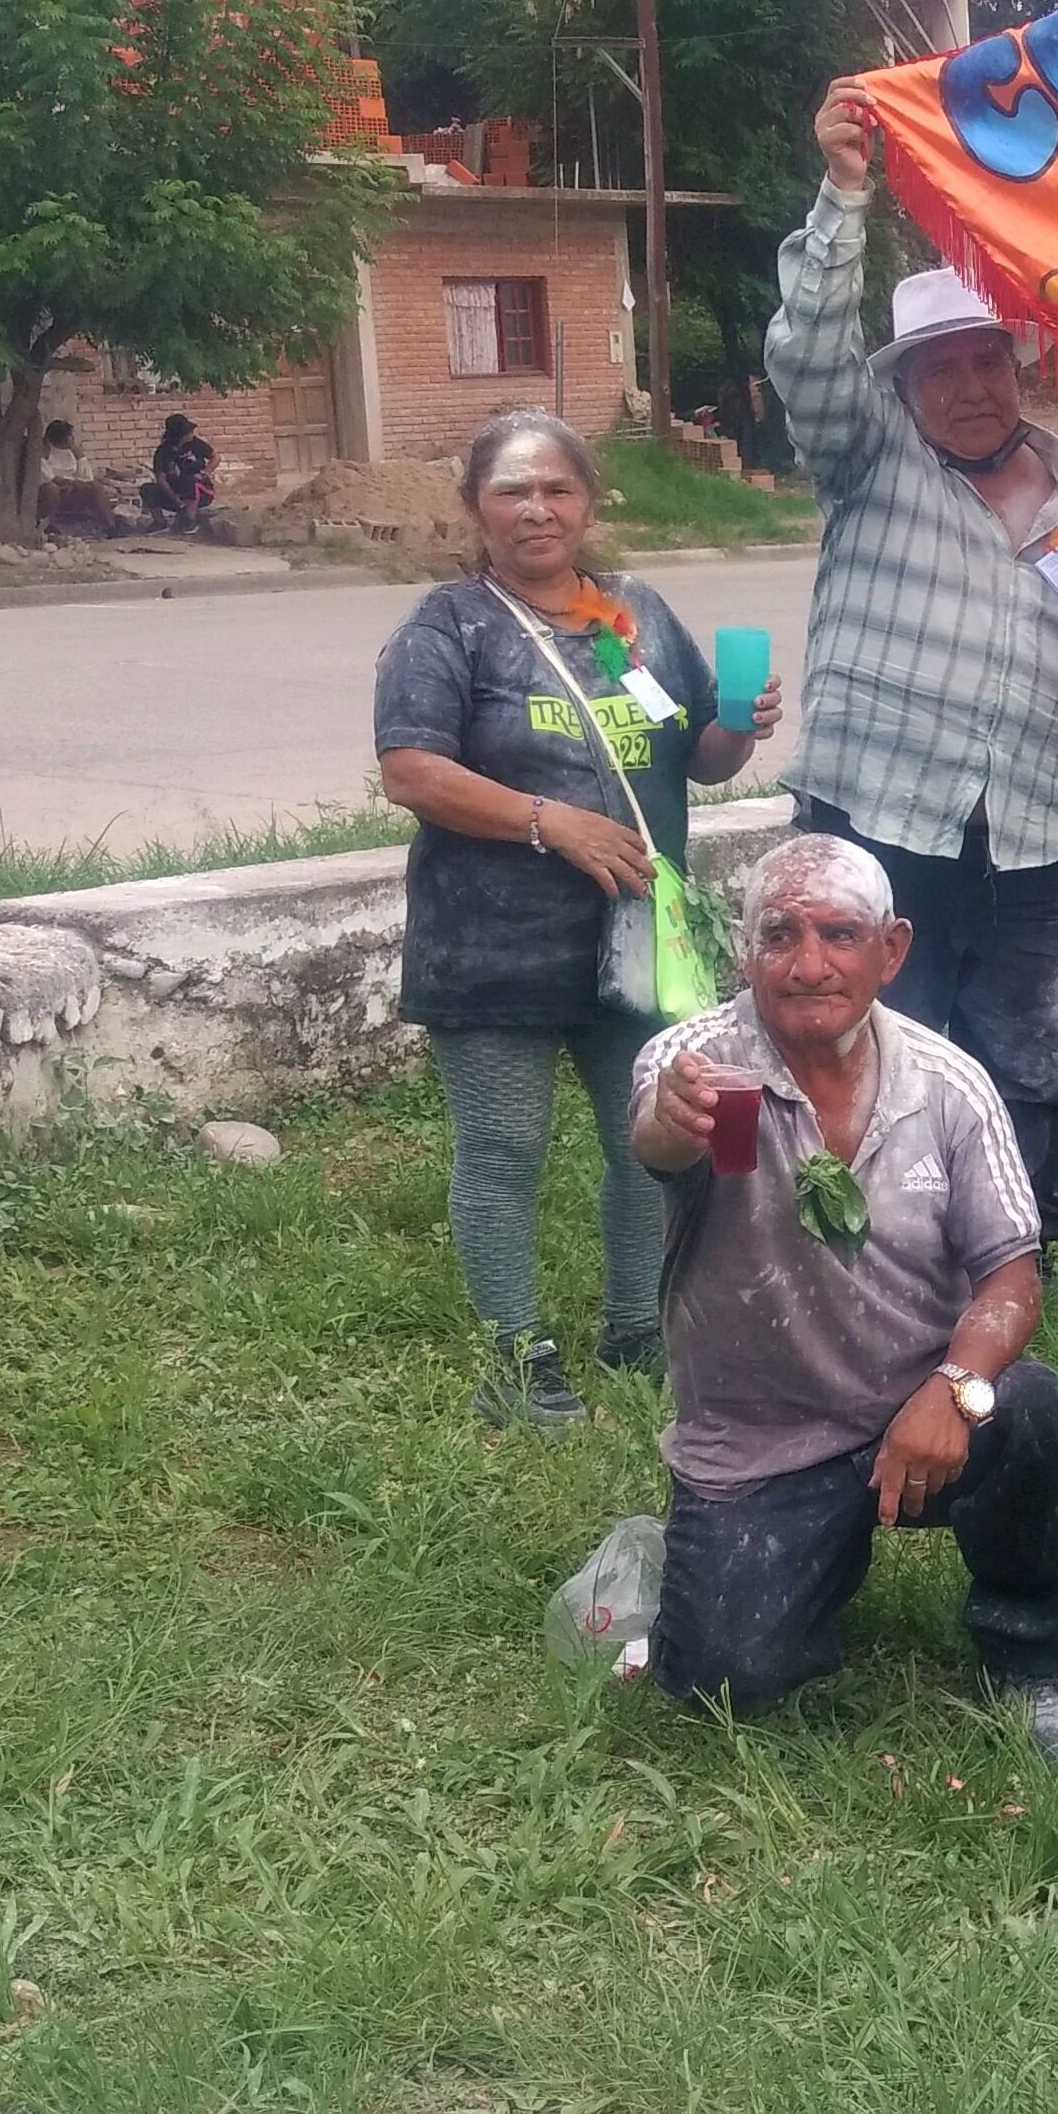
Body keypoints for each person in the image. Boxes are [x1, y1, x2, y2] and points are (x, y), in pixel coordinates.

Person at [627, 836, 1058, 1762]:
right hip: (758, 1442)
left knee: (1034, 1411)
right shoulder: (701, 1069)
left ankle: (1031, 1657)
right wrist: (674, 1122)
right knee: (726, 1680)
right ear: (745, 953)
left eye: (840, 934)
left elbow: (1012, 1275)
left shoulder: (947, 1083)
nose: (809, 965)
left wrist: (955, 1389)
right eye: (781, 935)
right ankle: (710, 1546)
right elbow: (658, 1138)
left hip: (919, 1412)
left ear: (892, 950)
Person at [775, 83, 1058, 1254]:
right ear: (907, 382)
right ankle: (874, 1252)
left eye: (991, 360)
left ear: (1019, 363)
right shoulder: (869, 455)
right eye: (945, 367)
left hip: (1029, 828)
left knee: (1025, 1046)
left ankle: (1011, 1245)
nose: (973, 386)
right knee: (876, 1034)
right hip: (883, 809)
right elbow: (806, 354)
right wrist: (843, 195)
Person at [375, 411, 779, 1428]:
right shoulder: (449, 624)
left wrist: (738, 722)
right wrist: (551, 822)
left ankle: (636, 1322)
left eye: (556, 487)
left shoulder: (630, 615)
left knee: (652, 1138)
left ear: (589, 500)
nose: (537, 508)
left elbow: (695, 755)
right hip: (492, 941)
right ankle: (515, 1357)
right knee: (503, 1148)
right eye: (512, 490)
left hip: (637, 934)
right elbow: (411, 769)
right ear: (477, 507)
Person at [142, 413, 217, 531]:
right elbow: (161, 479)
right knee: (148, 489)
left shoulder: (195, 443)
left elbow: (215, 457)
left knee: (190, 480)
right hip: (174, 492)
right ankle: (160, 522)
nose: (192, 433)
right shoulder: (163, 451)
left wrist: (205, 472)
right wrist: (175, 498)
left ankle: (190, 520)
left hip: (199, 491)